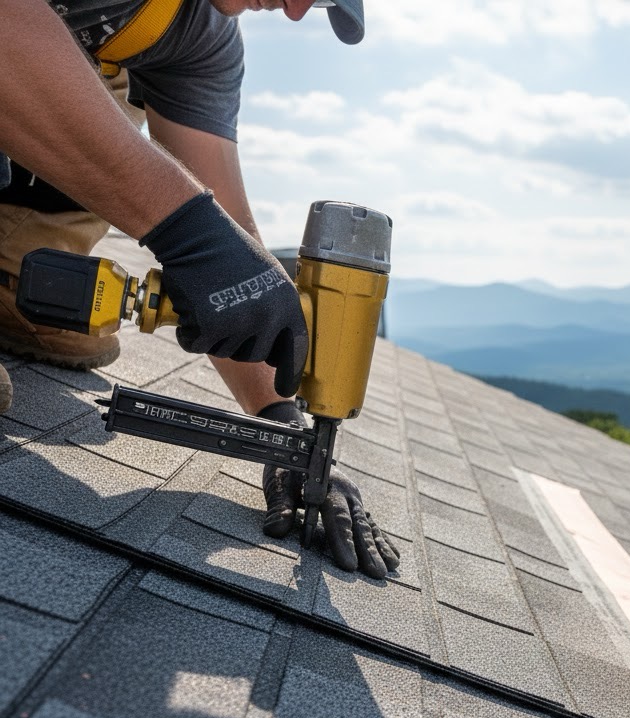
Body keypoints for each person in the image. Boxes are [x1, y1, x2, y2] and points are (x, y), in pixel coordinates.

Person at [0, 0, 399, 579]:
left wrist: (282, 425)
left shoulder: (197, 38)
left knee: (57, 311)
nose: (291, 14)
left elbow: (230, 237)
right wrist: (187, 229)